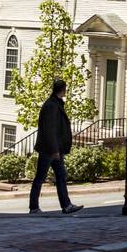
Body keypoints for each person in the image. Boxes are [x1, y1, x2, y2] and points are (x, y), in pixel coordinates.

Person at [30, 78, 83, 214]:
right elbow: (49, 130)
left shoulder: (55, 104)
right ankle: (34, 207)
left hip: (56, 149)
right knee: (40, 177)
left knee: (61, 176)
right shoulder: (51, 106)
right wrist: (54, 150)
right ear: (63, 90)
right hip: (49, 150)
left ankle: (66, 206)